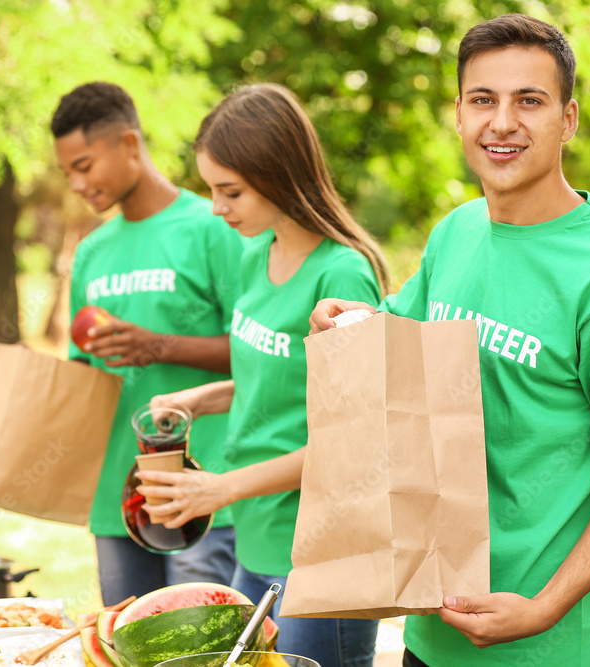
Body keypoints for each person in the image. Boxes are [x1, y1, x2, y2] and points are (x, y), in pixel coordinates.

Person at [310, 14, 590, 667]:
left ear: (568, 119)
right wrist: (350, 320)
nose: (502, 122)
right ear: (458, 114)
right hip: (433, 626)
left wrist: (545, 606)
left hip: (553, 644)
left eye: (529, 101)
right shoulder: (456, 231)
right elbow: (407, 347)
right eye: (484, 99)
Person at [135, 83, 391, 667]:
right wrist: (199, 398)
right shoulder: (256, 253)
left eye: (232, 191)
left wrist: (220, 487)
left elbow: (354, 441)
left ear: (281, 177)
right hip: (256, 535)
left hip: (322, 552)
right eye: (210, 190)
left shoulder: (342, 277)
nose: (216, 207)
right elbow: (271, 381)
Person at [51, 82, 244, 606]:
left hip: (198, 487)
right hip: (115, 494)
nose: (75, 183)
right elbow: (84, 373)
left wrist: (158, 346)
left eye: (84, 165)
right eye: (67, 171)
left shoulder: (214, 227)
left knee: (196, 651)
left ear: (129, 145)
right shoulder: (91, 253)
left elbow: (256, 352)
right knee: (125, 644)